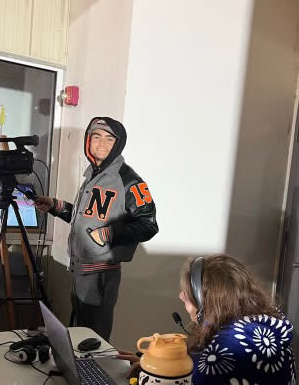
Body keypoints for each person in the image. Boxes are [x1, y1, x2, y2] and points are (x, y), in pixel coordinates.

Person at [35, 116, 158, 340]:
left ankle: (95, 374)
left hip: (101, 273)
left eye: (109, 139)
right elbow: (85, 218)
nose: (101, 143)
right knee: (80, 332)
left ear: (118, 144)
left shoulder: (129, 180)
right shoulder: (93, 175)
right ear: (88, 141)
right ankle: (80, 373)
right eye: (96, 137)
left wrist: (110, 233)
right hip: (81, 269)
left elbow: (148, 225)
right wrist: (56, 206)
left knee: (93, 339)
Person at [118, 254, 296, 384]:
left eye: (187, 294)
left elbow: (210, 371)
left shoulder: (226, 350)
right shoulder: (265, 327)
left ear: (207, 305)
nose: (181, 296)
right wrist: (155, 367)